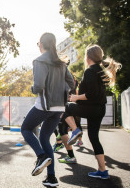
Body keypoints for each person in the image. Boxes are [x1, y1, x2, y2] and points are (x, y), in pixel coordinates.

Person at [20, 33, 75, 187]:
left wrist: (32, 88)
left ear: (41, 45)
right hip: (59, 108)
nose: (38, 46)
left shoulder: (39, 61)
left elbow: (38, 86)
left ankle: (41, 156)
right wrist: (63, 98)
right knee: (44, 138)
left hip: (45, 105)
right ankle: (51, 178)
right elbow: (71, 83)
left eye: (38, 43)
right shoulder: (61, 63)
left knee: (25, 128)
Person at [62, 45, 121, 179]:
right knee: (94, 138)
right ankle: (102, 170)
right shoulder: (100, 70)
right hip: (99, 109)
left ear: (88, 57)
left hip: (91, 108)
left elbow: (91, 94)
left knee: (64, 108)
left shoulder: (90, 71)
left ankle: (75, 130)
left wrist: (76, 97)